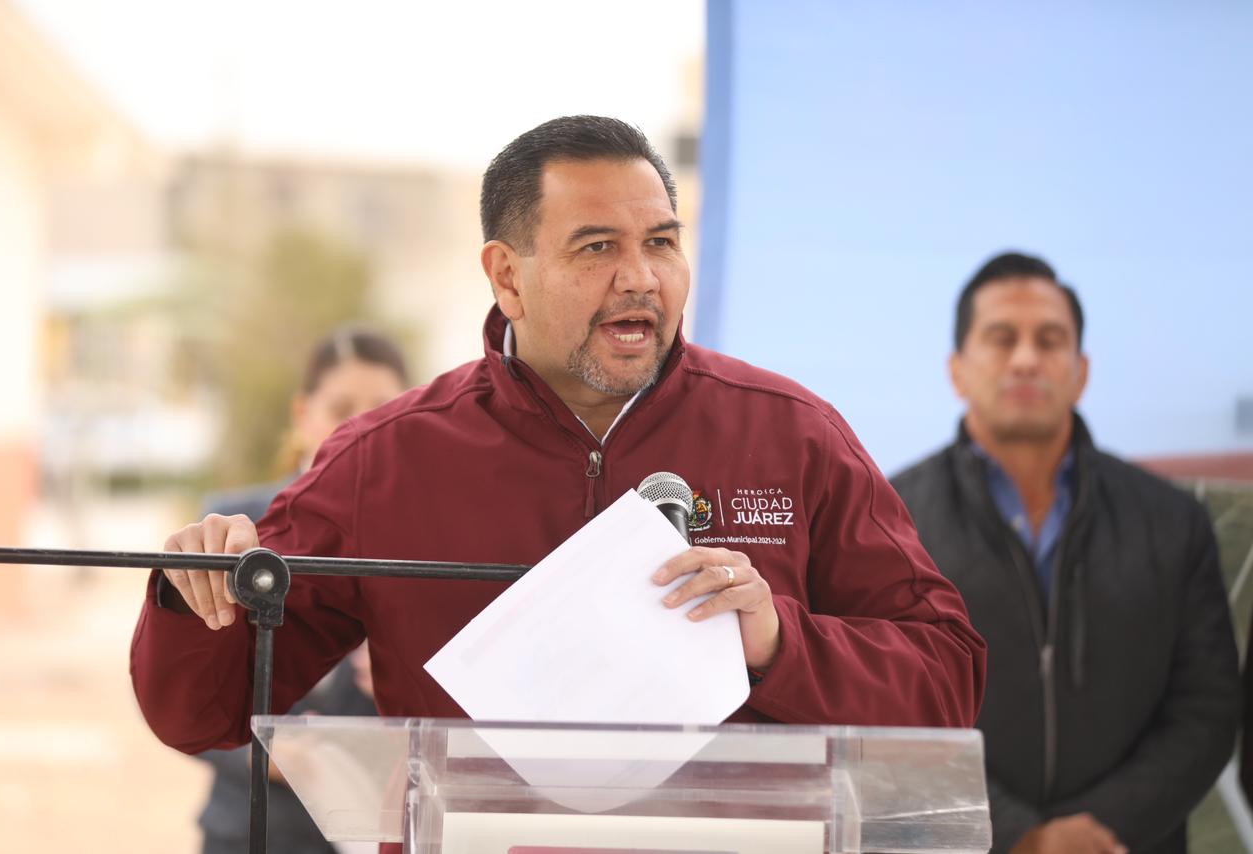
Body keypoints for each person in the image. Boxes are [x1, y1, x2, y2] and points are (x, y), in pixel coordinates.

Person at [131, 117, 986, 770]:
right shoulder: (383, 463)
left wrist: (777, 643)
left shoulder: (792, 434)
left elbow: (947, 680)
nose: (641, 278)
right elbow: (199, 712)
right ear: (507, 276)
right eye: (597, 247)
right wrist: (191, 593)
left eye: (661, 243)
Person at [891, 252, 1239, 854]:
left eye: (1050, 340)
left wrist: (1099, 830)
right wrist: (1020, 834)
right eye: (1002, 338)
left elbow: (1206, 708)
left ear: (1081, 371)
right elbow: (883, 708)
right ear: (957, 370)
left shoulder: (1171, 520)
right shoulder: (890, 521)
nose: (1027, 358)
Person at [196, 327, 407, 854]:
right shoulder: (232, 524)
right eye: (341, 408)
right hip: (253, 829)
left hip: (380, 828)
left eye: (382, 409)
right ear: (302, 413)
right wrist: (266, 755)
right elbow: (186, 688)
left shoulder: (429, 535)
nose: (360, 425)